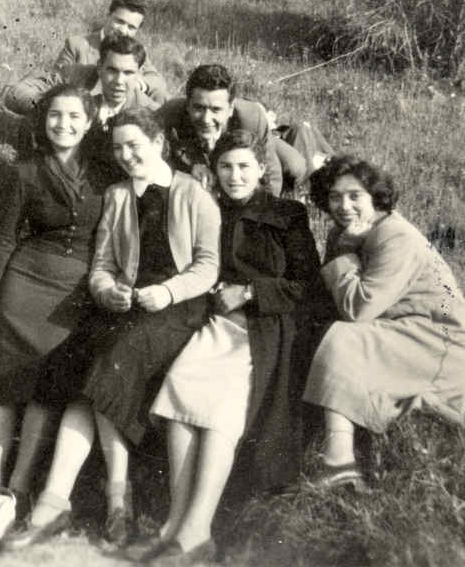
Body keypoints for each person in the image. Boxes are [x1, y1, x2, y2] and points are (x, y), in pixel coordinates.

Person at [2, 107, 221, 551]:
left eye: (134, 146)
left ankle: (108, 499)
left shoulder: (192, 193)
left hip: (177, 310)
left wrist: (169, 292)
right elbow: (101, 264)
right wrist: (106, 292)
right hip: (126, 307)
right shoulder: (118, 195)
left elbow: (208, 265)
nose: (125, 155)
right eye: (118, 148)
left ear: (158, 143)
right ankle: (61, 501)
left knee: (110, 362)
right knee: (77, 365)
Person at [140, 130, 332, 565]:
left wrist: (249, 292)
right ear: (214, 170)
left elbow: (309, 287)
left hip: (263, 330)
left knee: (221, 411)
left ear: (262, 169)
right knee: (181, 390)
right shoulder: (211, 210)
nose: (235, 176)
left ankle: (197, 530)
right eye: (226, 167)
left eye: (245, 166)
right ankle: (174, 523)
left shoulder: (287, 214)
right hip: (216, 325)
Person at [302, 156, 465, 489]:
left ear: (375, 197)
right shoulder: (344, 232)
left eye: (354, 196)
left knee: (343, 338)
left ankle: (339, 461)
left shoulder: (395, 236)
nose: (344, 206)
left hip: (440, 342)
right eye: (335, 197)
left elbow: (357, 310)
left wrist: (344, 253)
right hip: (403, 330)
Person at [0, 84, 109, 513]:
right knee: (3, 387)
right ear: (43, 120)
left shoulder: (107, 173)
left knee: (45, 391)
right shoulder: (25, 172)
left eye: (73, 116)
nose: (63, 124)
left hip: (74, 296)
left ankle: (19, 485)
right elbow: (4, 239)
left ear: (89, 123)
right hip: (24, 285)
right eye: (55, 115)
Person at [6, 0, 168, 115]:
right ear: (108, 16)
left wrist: (138, 82)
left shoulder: (134, 53)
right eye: (119, 21)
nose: (123, 30)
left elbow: (158, 83)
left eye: (131, 27)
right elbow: (56, 84)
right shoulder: (78, 45)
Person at [157, 64, 284, 196]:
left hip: (264, 140)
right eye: (199, 108)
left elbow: (271, 176)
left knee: (295, 168)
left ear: (230, 109)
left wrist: (260, 205)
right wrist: (189, 168)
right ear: (188, 105)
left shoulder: (252, 118)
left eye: (216, 109)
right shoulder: (169, 114)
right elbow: (151, 159)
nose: (206, 119)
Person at [82, 34, 161, 182]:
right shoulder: (84, 104)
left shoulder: (153, 114)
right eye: (112, 70)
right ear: (99, 68)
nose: (119, 81)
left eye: (128, 73)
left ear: (139, 73)